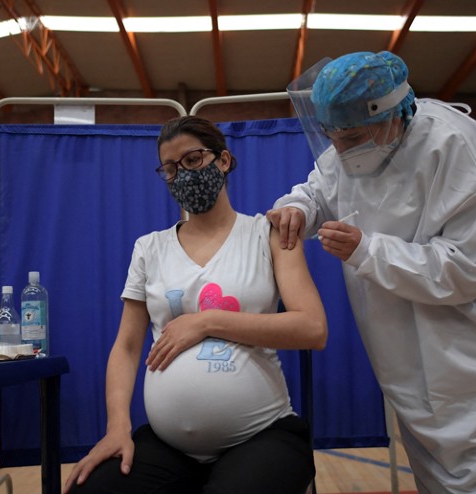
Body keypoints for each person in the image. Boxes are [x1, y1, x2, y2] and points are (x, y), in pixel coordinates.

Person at [267, 51, 476, 493]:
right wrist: (297, 207)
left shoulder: (458, 147)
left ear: (393, 114)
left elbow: (463, 270)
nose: (340, 150)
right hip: (407, 372)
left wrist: (366, 250)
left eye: (351, 137)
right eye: (330, 137)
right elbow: (319, 188)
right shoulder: (353, 144)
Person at [63, 116, 328, 494]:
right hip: (169, 446)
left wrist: (207, 322)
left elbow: (312, 329)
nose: (182, 175)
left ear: (223, 160)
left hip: (262, 434)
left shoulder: (267, 233)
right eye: (170, 169)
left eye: (191, 160)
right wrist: (117, 427)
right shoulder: (149, 248)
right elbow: (125, 347)